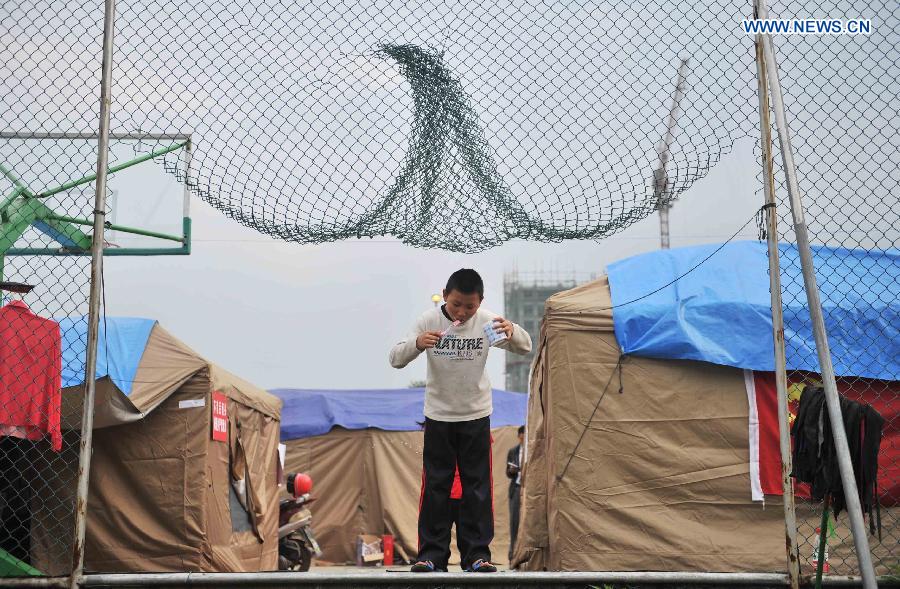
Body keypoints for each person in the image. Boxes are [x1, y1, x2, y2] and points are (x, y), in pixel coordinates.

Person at [390, 268, 532, 573]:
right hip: (439, 416)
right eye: (456, 305)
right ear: (445, 296)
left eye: (470, 306)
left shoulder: (486, 322)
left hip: (476, 415)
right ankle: (431, 556)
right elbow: (395, 358)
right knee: (436, 486)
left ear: (480, 302)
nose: (463, 312)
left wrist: (512, 329)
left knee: (477, 488)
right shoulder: (429, 321)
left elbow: (525, 346)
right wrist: (417, 343)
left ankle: (477, 556)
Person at [505, 425, 525, 563]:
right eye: (523, 434)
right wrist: (512, 470)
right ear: (519, 436)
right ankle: (512, 556)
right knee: (514, 522)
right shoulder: (513, 451)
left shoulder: (533, 448)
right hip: (517, 488)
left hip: (530, 489)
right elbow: (507, 472)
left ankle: (525, 556)